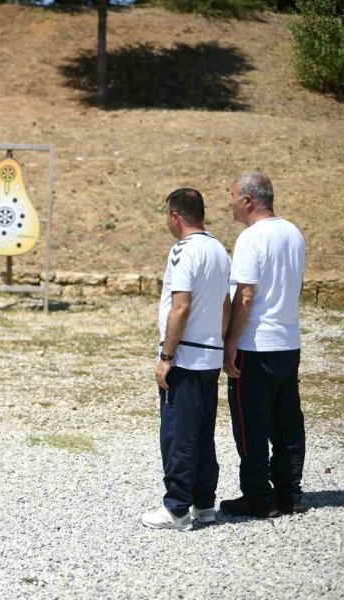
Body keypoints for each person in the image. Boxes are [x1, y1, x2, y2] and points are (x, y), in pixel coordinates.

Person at [141, 188, 231, 531]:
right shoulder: (220, 250)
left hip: (186, 357)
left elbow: (180, 306)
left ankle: (177, 508)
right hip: (209, 356)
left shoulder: (182, 251)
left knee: (178, 434)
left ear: (175, 216)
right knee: (202, 433)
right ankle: (203, 504)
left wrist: (167, 355)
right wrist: (220, 345)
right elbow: (225, 305)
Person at [221, 172, 307, 518]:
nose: (229, 201)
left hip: (255, 346)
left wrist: (230, 343)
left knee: (250, 424)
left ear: (248, 201)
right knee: (286, 422)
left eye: (232, 195)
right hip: (288, 342)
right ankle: (288, 493)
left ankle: (257, 496)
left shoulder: (251, 238)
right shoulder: (294, 233)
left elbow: (245, 295)